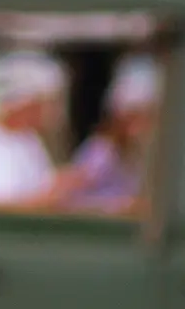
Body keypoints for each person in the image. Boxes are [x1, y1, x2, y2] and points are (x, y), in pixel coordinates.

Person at [0, 53, 79, 207]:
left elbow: (44, 186)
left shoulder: (30, 138)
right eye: (43, 104)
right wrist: (48, 198)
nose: (52, 111)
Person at [64, 61, 158, 213]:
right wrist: (120, 206)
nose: (141, 126)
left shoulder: (133, 153)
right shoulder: (102, 150)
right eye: (134, 118)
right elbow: (69, 196)